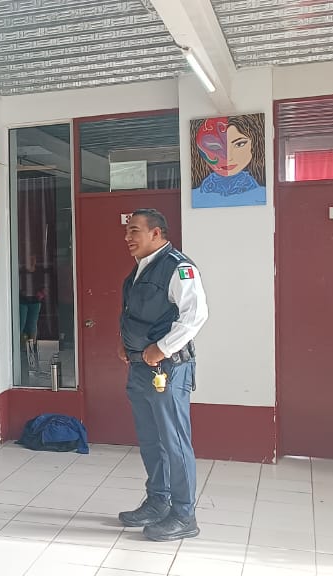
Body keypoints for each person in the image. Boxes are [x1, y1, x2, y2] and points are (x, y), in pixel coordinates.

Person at [115, 209, 208, 542]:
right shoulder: (141, 268)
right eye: (127, 231)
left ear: (156, 234)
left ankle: (184, 514)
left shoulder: (178, 267)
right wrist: (125, 342)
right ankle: (158, 502)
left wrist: (162, 348)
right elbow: (135, 313)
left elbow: (195, 315)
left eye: (134, 231)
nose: (128, 237)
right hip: (140, 367)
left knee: (174, 440)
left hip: (168, 369)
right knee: (151, 439)